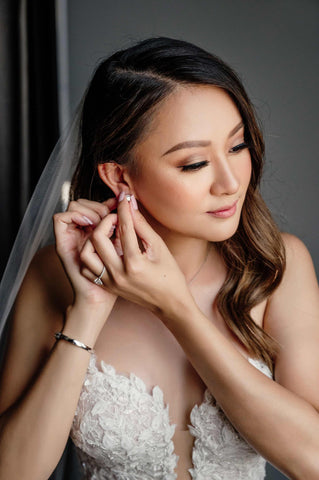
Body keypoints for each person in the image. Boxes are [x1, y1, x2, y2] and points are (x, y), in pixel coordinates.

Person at [0, 37, 318, 480]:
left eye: (237, 146)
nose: (229, 182)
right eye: (193, 164)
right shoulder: (52, 276)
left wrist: (178, 309)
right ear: (119, 175)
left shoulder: (278, 265)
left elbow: (312, 461)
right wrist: (87, 311)